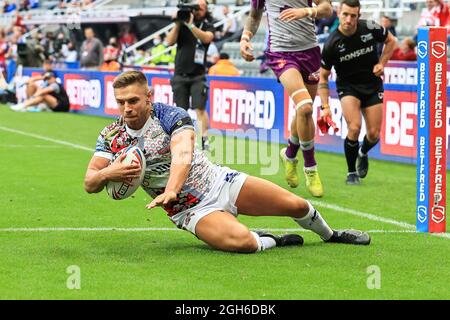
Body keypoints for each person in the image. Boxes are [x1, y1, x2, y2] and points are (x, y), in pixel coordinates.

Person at [83, 70, 371, 254]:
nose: (126, 108)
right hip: (189, 210)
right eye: (120, 102)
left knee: (296, 205)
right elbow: (89, 183)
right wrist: (112, 171)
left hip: (221, 182)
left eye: (133, 100)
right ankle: (270, 239)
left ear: (149, 97)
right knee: (243, 244)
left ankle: (331, 235)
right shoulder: (111, 136)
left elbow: (183, 151)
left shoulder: (170, 115)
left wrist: (170, 188)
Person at [240, 0, 334, 197]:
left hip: (309, 52)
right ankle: (311, 168)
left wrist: (306, 11)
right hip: (281, 53)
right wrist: (245, 37)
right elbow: (255, 14)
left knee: (303, 110)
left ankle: (289, 154)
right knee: (306, 107)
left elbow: (327, 9)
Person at [318, 0, 396, 185]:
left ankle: (363, 152)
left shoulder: (369, 27)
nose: (348, 19)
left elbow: (391, 41)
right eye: (345, 14)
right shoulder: (331, 43)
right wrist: (325, 107)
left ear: (358, 16)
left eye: (353, 16)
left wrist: (382, 63)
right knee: (354, 127)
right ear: (338, 13)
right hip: (348, 87)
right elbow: (323, 77)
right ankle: (351, 172)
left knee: (374, 134)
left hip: (372, 85)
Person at [165, 0, 215, 151]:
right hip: (180, 73)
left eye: (202, 7)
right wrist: (178, 23)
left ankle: (205, 139)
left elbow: (207, 38)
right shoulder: (182, 24)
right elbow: (169, 41)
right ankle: (183, 138)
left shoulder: (207, 24)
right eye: (196, 7)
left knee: (200, 108)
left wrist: (191, 25)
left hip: (198, 74)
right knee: (181, 110)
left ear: (206, 10)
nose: (199, 10)